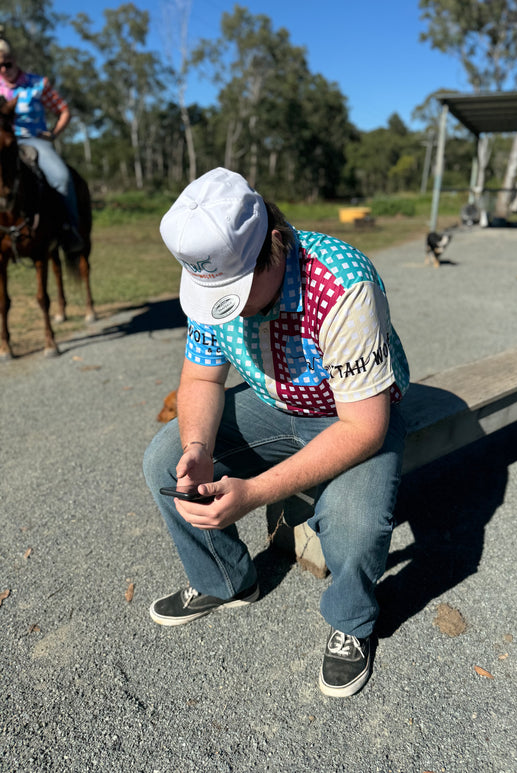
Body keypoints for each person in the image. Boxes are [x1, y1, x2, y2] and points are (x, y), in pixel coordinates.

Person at [143, 167, 410, 698]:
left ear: (275, 242)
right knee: (164, 460)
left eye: (239, 290)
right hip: (277, 403)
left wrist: (256, 493)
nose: (233, 308)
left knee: (354, 521)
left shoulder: (341, 283)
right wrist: (197, 446)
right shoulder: (216, 280)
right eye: (216, 294)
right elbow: (201, 375)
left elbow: (364, 427)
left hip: (349, 414)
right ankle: (226, 582)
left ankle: (351, 621)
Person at [0, 36, 83, 253]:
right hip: (3, 144)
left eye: (7, 63)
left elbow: (64, 110)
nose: (3, 69)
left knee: (61, 178)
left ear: (15, 60)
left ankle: (69, 230)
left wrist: (53, 134)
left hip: (33, 141)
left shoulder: (38, 84)